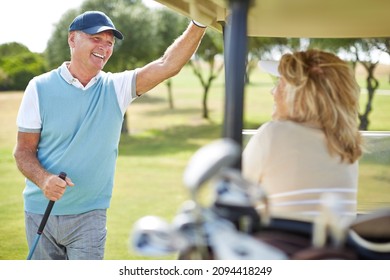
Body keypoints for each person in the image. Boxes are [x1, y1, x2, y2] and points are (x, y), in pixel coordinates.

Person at [13, 10, 207, 260]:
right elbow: (23, 151)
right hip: (41, 212)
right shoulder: (39, 88)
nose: (104, 48)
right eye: (96, 39)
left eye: (110, 43)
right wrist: (44, 180)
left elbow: (167, 65)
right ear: (72, 39)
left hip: (89, 216)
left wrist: (200, 22)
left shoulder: (117, 87)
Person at [242, 49, 363, 221]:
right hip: (334, 246)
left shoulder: (273, 135)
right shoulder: (347, 142)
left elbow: (233, 195)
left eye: (280, 83)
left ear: (299, 94)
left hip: (285, 245)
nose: (273, 92)